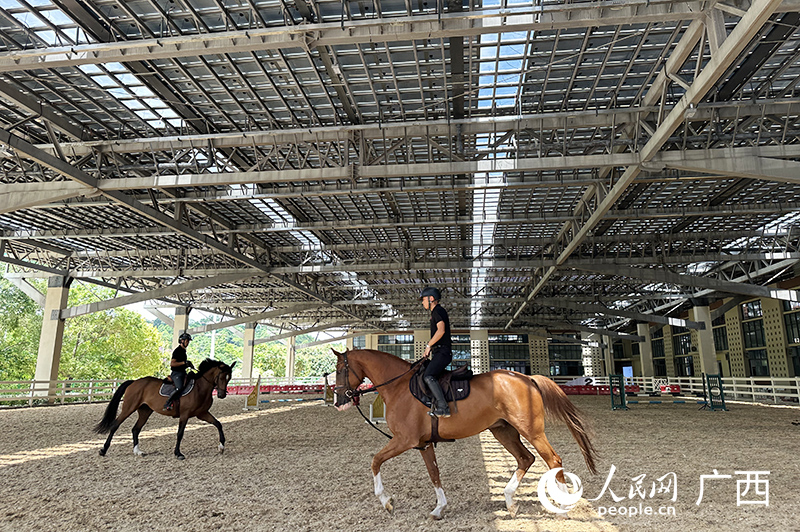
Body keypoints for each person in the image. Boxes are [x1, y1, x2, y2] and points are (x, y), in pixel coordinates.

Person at [420, 286, 452, 418]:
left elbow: (441, 331)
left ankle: (443, 407)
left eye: (423, 300)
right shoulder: (436, 313)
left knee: (428, 376)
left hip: (443, 352)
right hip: (439, 352)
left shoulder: (437, 311)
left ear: (431, 299)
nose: (422, 303)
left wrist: (428, 345)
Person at [164, 332, 195, 411]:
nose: (188, 343)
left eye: (188, 341)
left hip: (182, 373)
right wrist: (184, 363)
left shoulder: (183, 351)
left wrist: (188, 365)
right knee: (179, 387)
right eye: (187, 341)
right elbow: (173, 364)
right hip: (176, 374)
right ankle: (168, 403)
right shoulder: (177, 351)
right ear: (182, 341)